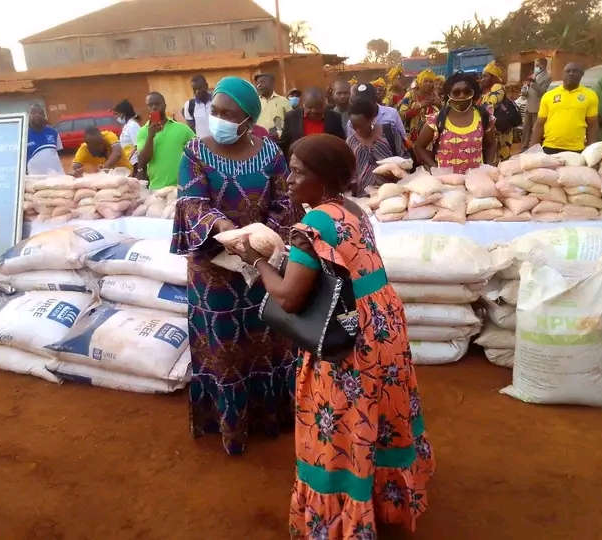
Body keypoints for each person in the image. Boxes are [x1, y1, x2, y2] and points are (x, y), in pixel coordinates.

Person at [223, 133, 434, 538]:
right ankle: (385, 498)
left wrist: (255, 260)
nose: (288, 180)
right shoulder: (353, 208)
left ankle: (343, 515)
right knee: (382, 407)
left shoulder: (313, 224)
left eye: (298, 173)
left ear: (322, 178)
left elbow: (288, 298)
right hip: (383, 321)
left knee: (340, 417)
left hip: (350, 335)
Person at [170, 76, 303, 456]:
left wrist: (262, 239)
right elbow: (192, 202)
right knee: (224, 347)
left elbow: (285, 201)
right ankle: (231, 426)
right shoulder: (195, 152)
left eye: (229, 114)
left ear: (248, 119)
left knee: (269, 340)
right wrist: (226, 229)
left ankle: (271, 417)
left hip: (263, 264)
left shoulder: (271, 152)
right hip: (214, 270)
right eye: (216, 111)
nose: (220, 119)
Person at [414, 72, 497, 173]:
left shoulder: (484, 117)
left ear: (473, 93)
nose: (462, 96)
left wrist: (488, 167)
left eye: (466, 92)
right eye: (456, 93)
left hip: (476, 180)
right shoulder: (437, 120)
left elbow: (491, 144)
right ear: (449, 94)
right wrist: (435, 168)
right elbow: (419, 147)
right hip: (446, 181)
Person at [528, 63, 598, 154]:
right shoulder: (549, 95)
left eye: (575, 71)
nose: (571, 73)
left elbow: (592, 125)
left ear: (582, 75)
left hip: (576, 149)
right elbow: (539, 124)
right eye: (567, 71)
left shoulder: (590, 96)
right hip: (549, 147)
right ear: (562, 74)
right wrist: (533, 149)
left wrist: (591, 150)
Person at [347, 98, 411, 196]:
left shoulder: (390, 132)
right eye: (354, 126)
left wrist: (396, 173)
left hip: (394, 194)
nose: (357, 130)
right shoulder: (351, 142)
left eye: (361, 126)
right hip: (363, 198)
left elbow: (406, 160)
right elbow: (351, 173)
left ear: (372, 120)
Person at [136, 92, 195, 189]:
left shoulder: (182, 129)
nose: (154, 107)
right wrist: (150, 136)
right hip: (156, 188)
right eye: (150, 105)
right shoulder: (143, 132)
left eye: (157, 104)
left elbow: (198, 150)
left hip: (181, 188)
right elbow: (143, 160)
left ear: (164, 105)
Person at [280, 86, 345, 156]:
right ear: (303, 105)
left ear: (324, 104)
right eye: (310, 107)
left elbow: (341, 144)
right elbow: (284, 144)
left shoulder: (334, 118)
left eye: (318, 107)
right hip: (299, 159)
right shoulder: (291, 117)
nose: (314, 111)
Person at [478, 61, 511, 163]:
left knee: (500, 158)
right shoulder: (486, 91)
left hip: (500, 130)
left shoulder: (497, 87)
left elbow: (490, 105)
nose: (483, 79)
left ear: (493, 77)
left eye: (485, 76)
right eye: (482, 77)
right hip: (492, 129)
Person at [399, 70, 440, 143]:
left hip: (431, 138)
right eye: (425, 81)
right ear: (419, 82)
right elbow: (402, 115)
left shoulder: (434, 95)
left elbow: (442, 112)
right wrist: (420, 105)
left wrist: (436, 104)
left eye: (431, 82)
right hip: (412, 136)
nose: (428, 84)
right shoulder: (410, 95)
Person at [26, 104, 64, 175]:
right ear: (28, 116)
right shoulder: (24, 135)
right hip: (35, 178)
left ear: (44, 116)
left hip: (57, 176)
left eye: (40, 113)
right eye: (33, 113)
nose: (37, 115)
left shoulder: (53, 132)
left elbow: (59, 154)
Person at [523, 57, 552, 147]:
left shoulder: (547, 77)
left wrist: (534, 83)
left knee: (536, 130)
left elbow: (543, 91)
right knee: (525, 129)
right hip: (528, 106)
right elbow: (529, 88)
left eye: (538, 65)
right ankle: (524, 147)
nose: (536, 67)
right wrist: (525, 91)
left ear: (544, 65)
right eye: (536, 65)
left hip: (537, 107)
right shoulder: (534, 74)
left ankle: (535, 148)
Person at [113, 100, 141, 170]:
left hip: (135, 163)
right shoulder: (127, 125)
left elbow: (138, 145)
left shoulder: (133, 125)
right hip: (129, 163)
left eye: (117, 114)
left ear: (123, 114)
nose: (116, 117)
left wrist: (130, 157)